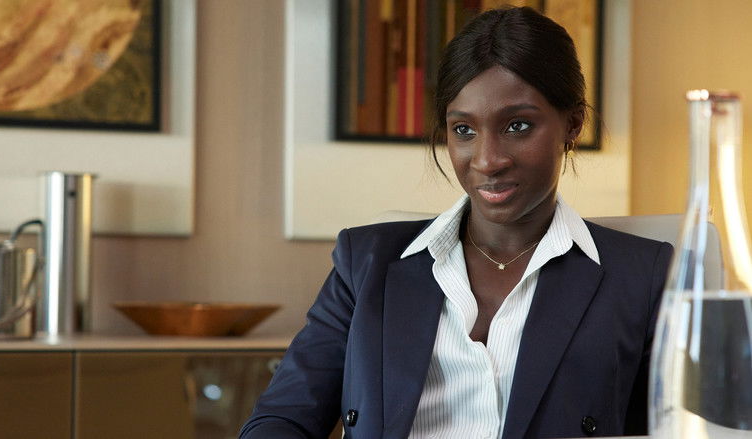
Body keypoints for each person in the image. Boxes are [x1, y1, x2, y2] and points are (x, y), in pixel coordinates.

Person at [240, 6, 672, 439]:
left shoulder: (642, 277)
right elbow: (283, 418)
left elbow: (684, 425)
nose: (487, 160)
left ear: (572, 125)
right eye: (464, 130)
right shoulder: (365, 263)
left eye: (518, 126)